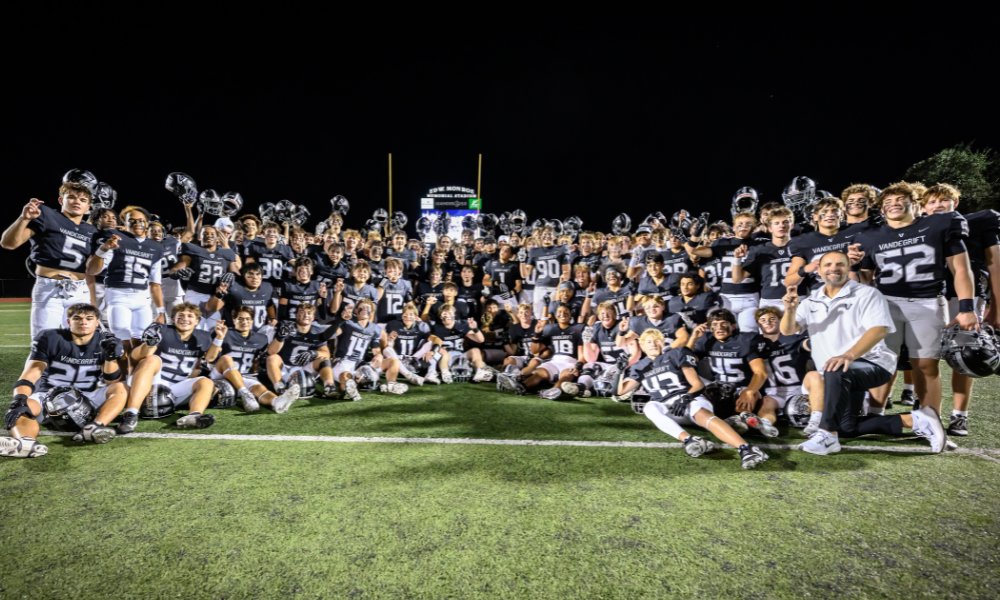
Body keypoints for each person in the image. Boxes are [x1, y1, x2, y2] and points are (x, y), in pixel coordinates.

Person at [780, 251, 946, 455]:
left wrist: (848, 355)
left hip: (872, 364)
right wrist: (789, 310)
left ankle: (826, 434)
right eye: (828, 264)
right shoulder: (811, 301)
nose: (834, 268)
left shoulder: (866, 294)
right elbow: (788, 330)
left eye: (840, 264)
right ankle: (917, 419)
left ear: (848, 267)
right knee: (846, 428)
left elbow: (879, 329)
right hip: (839, 374)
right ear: (819, 270)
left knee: (836, 371)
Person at [2, 304, 127, 458]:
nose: (83, 322)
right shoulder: (50, 337)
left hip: (87, 395)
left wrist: (110, 357)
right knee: (21, 408)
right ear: (68, 321)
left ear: (97, 322)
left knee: (120, 388)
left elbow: (111, 380)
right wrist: (19, 398)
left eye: (89, 318)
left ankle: (95, 427)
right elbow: (33, 370)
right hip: (48, 394)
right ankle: (26, 442)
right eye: (77, 318)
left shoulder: (104, 341)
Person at [1, 179, 98, 337]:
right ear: (61, 200)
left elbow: (92, 270)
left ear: (88, 207)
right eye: (71, 197)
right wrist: (23, 218)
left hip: (80, 290)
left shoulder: (91, 231)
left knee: (79, 344)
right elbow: (9, 243)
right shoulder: (48, 215)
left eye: (83, 200)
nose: (77, 202)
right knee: (43, 344)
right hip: (50, 288)